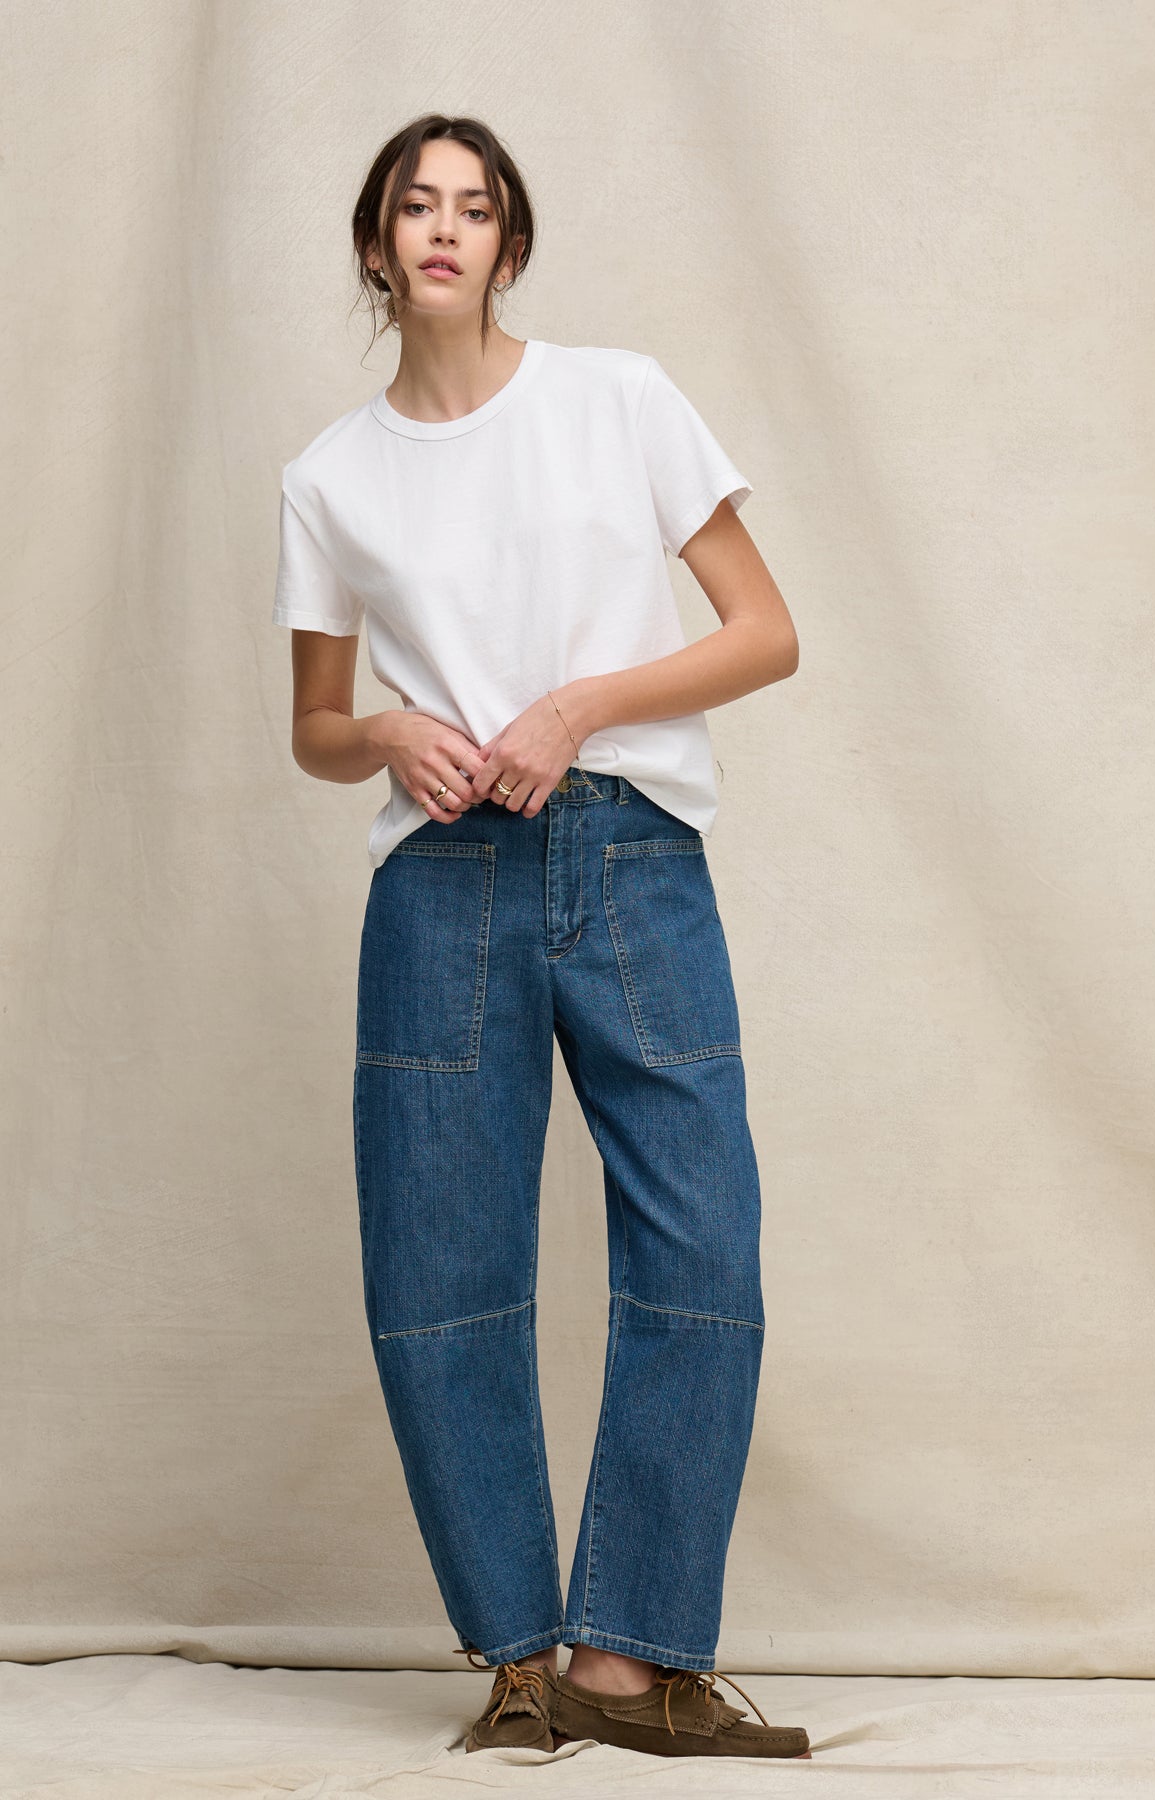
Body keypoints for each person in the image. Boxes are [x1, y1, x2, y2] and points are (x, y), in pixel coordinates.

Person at [271, 112, 811, 1762]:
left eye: (476, 206)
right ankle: (517, 1659)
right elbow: (313, 726)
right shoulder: (330, 477)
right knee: (441, 1271)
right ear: (378, 245)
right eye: (415, 205)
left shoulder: (617, 399)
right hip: (443, 882)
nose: (445, 228)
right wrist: (388, 732)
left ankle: (626, 1660)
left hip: (632, 854)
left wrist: (579, 706)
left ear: (510, 244)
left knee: (702, 1251)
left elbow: (765, 633)